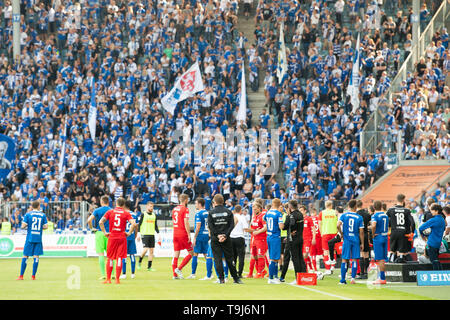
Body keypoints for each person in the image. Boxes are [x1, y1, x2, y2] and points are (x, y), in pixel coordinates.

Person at [99, 197, 137, 284]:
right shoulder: (125, 213)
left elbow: (101, 222)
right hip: (122, 237)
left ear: (116, 203)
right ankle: (117, 279)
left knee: (110, 258)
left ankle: (108, 279)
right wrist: (129, 232)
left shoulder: (110, 212)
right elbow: (134, 223)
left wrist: (105, 232)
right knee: (119, 258)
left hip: (112, 237)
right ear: (123, 205)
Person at [207, 194, 243, 284]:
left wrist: (218, 235)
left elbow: (211, 226)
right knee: (230, 259)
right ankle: (236, 278)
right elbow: (232, 225)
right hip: (226, 238)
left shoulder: (211, 213)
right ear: (223, 201)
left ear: (214, 202)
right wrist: (225, 235)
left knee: (217, 259)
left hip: (215, 239)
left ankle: (221, 279)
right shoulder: (228, 212)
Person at [17, 200, 48, 280]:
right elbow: (46, 226)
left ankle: (21, 276)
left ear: (32, 206)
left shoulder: (28, 214)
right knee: (36, 256)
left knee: (25, 255)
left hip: (30, 238)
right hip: (38, 238)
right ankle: (33, 276)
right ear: (38, 206)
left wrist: (28, 225)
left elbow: (23, 226)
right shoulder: (42, 215)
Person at [337, 199, 364, 285]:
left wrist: (341, 234)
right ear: (356, 207)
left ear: (349, 206)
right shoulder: (359, 217)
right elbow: (361, 232)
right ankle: (353, 279)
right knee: (355, 259)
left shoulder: (344, 215)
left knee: (344, 259)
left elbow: (338, 225)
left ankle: (342, 280)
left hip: (347, 240)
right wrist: (362, 243)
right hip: (355, 240)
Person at [279, 200, 305, 283]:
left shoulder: (290, 216)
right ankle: (301, 276)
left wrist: (280, 220)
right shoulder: (300, 214)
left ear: (290, 207)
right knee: (298, 257)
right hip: (299, 238)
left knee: (294, 258)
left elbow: (284, 227)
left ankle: (297, 278)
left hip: (292, 240)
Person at [87, 195, 111, 279]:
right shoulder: (112, 210)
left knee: (101, 254)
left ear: (101, 202)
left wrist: (91, 228)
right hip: (110, 234)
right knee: (111, 255)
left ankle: (103, 275)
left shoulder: (97, 210)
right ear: (108, 202)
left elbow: (89, 220)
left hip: (99, 233)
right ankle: (113, 274)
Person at [261, 198, 285, 284]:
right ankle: (271, 278)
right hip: (275, 236)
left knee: (274, 257)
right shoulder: (278, 214)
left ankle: (275, 276)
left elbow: (263, 219)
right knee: (274, 258)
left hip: (269, 236)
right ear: (279, 205)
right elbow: (281, 227)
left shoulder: (268, 212)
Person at [386, 194, 415, 263]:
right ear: (403, 200)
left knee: (392, 250)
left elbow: (386, 220)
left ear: (397, 200)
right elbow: (412, 223)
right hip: (403, 232)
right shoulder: (407, 210)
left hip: (394, 232)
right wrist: (412, 232)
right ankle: (401, 269)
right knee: (402, 251)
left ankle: (390, 267)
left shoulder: (391, 210)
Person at [171, 194, 194, 279]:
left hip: (175, 233)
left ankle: (174, 275)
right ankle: (179, 269)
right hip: (183, 234)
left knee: (176, 254)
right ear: (186, 200)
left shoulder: (174, 209)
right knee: (191, 253)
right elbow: (186, 222)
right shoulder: (185, 209)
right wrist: (188, 234)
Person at [418, 203, 446, 270]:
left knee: (433, 261)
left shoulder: (433, 220)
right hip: (438, 243)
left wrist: (425, 235)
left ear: (436, 211)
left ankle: (436, 275)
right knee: (436, 260)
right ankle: (440, 274)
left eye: (432, 210)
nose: (431, 212)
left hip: (431, 242)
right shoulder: (442, 220)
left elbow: (420, 228)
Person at [187, 197, 210, 279]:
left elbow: (198, 226)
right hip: (206, 235)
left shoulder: (198, 213)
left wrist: (195, 237)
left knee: (195, 254)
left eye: (196, 203)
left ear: (200, 204)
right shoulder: (207, 213)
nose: (195, 205)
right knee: (206, 255)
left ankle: (193, 274)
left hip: (200, 235)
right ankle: (209, 274)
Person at [247, 199, 268, 278]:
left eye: (255, 208)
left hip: (261, 239)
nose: (253, 209)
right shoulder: (254, 216)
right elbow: (254, 228)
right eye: (253, 208)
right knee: (254, 256)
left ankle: (260, 272)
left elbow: (266, 227)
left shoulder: (263, 215)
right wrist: (249, 230)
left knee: (261, 255)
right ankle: (252, 272)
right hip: (254, 238)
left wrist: (257, 232)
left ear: (259, 208)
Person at [137, 202, 160, 271]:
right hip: (144, 234)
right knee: (146, 249)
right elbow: (139, 224)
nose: (151, 208)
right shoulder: (143, 214)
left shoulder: (154, 215)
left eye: (152, 207)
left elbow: (155, 225)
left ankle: (149, 267)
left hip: (152, 234)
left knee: (151, 251)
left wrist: (158, 234)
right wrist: (138, 234)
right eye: (150, 206)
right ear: (147, 207)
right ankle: (139, 261)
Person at [370, 201, 389, 285]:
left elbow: (374, 225)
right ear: (381, 206)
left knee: (379, 259)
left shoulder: (375, 215)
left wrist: (373, 234)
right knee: (383, 258)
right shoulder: (385, 215)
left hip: (378, 237)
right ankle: (381, 276)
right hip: (385, 236)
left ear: (374, 207)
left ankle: (382, 278)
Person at [120, 200, 140, 279]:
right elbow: (136, 226)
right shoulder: (134, 215)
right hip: (131, 236)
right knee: (132, 255)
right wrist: (135, 235)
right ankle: (132, 274)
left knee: (124, 255)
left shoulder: (123, 214)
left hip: (124, 236)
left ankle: (124, 274)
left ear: (124, 205)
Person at [318, 200, 338, 275]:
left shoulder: (321, 213)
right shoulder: (335, 212)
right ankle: (333, 266)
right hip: (334, 233)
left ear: (325, 205)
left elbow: (320, 224)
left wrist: (321, 233)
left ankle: (327, 269)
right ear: (331, 205)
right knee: (334, 250)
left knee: (326, 251)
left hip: (325, 233)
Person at [230, 205, 249, 279]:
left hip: (231, 237)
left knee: (233, 256)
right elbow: (245, 228)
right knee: (241, 256)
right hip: (240, 237)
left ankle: (233, 273)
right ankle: (239, 273)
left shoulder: (232, 217)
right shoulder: (242, 217)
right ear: (240, 210)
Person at [356, 200, 371, 279]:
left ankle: (361, 273)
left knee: (361, 253)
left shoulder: (356, 215)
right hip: (365, 233)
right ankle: (366, 272)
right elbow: (369, 224)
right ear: (362, 205)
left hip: (358, 234)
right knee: (366, 254)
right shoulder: (367, 214)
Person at [303, 205, 317, 273]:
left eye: (302, 210)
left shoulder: (309, 219)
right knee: (304, 255)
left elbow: (313, 228)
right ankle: (310, 268)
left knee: (305, 255)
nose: (300, 211)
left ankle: (306, 270)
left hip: (308, 239)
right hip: (301, 240)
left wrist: (314, 238)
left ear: (305, 211)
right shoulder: (299, 219)